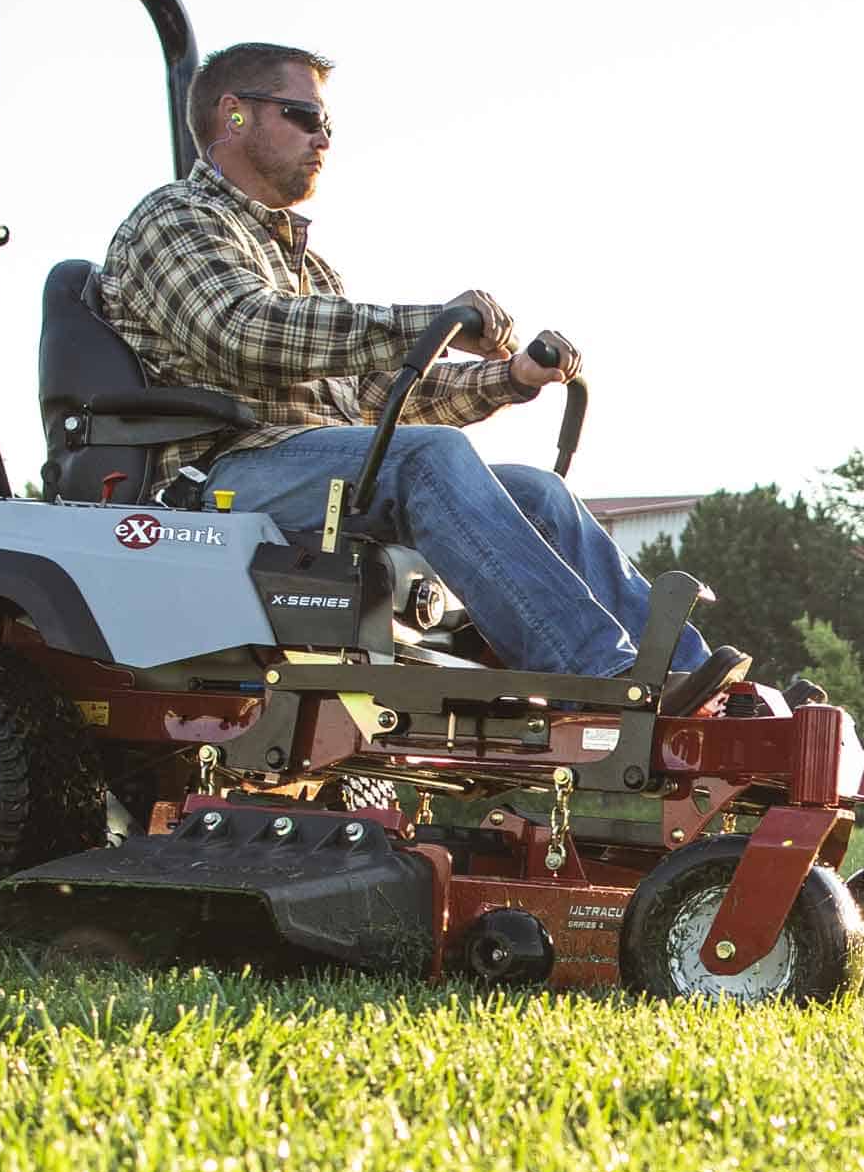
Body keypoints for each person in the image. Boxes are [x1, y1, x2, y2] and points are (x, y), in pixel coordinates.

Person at [98, 40, 736, 698]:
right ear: (233, 116)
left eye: (329, 125)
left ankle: (688, 679)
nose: (324, 137)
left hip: (322, 469)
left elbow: (378, 396)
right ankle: (601, 675)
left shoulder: (309, 268)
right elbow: (241, 332)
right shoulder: (175, 219)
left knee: (540, 495)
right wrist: (428, 322)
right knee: (427, 456)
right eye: (305, 116)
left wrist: (510, 378)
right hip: (221, 475)